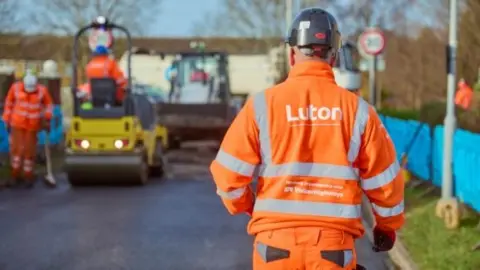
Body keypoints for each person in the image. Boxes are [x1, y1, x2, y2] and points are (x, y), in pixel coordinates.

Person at [210, 8, 404, 270]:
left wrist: (248, 205)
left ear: (292, 54)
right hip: (333, 249)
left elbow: (228, 178)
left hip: (273, 246)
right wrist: (386, 227)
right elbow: (386, 184)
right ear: (333, 56)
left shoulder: (261, 106)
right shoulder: (359, 111)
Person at [2, 71, 53, 188]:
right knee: (17, 150)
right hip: (18, 124)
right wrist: (6, 119)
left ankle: (28, 175)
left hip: (32, 126)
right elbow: (9, 103)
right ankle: (15, 174)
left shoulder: (42, 91)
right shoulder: (15, 88)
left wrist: (47, 118)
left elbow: (49, 105)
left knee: (29, 151)